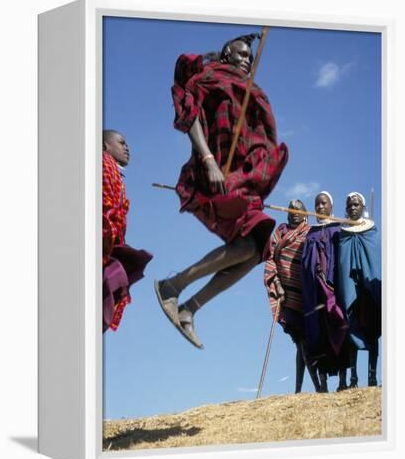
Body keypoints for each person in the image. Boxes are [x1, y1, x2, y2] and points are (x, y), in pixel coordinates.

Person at [155, 34, 288, 349]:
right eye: (241, 54)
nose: (246, 60)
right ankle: (173, 286)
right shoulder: (210, 78)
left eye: (249, 58)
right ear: (227, 52)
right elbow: (189, 117)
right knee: (254, 240)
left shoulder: (250, 90)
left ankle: (187, 306)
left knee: (256, 250)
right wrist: (208, 158)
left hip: (241, 179)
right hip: (214, 172)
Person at [264, 200, 321, 393]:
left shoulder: (311, 232)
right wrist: (278, 284)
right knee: (300, 339)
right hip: (287, 295)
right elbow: (271, 260)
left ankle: (299, 388)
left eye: (299, 210)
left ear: (305, 213)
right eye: (291, 210)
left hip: (307, 293)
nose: (295, 213)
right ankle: (316, 387)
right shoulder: (280, 233)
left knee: (302, 342)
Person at [102, 130, 152, 333]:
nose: (127, 147)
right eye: (121, 143)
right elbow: (105, 208)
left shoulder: (113, 170)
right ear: (105, 147)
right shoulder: (104, 163)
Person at [301, 191, 349, 392]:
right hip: (315, 292)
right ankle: (322, 383)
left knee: (340, 327)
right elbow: (304, 262)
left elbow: (344, 258)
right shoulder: (310, 233)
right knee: (318, 332)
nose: (320, 207)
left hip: (335, 288)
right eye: (317, 204)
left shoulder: (339, 229)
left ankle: (343, 381)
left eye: (323, 204)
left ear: (331, 207)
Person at [337, 192, 381, 387]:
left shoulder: (373, 232)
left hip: (368, 290)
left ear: (363, 207)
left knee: (372, 329)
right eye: (349, 205)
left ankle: (372, 376)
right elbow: (340, 262)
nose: (352, 208)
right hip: (350, 289)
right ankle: (353, 377)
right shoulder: (342, 234)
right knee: (350, 329)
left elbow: (377, 259)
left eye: (356, 205)